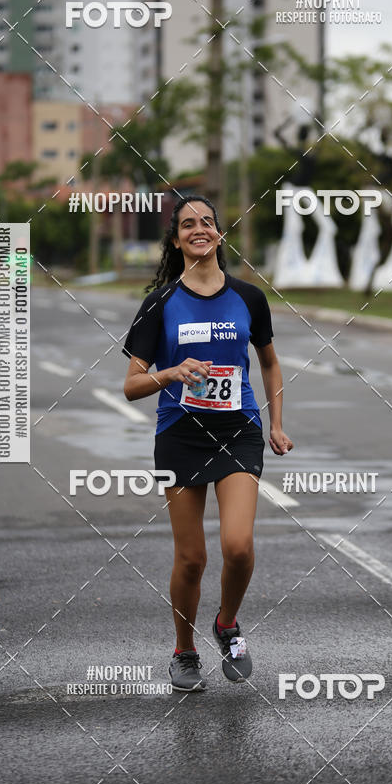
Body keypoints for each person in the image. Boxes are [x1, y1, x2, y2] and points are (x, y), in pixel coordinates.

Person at [122, 195, 293, 693]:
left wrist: (276, 423)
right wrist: (171, 372)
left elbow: (269, 363)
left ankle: (227, 623)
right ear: (176, 240)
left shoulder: (248, 297)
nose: (199, 229)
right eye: (187, 224)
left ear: (219, 233)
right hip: (180, 436)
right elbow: (131, 385)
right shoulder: (159, 304)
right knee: (192, 558)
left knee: (238, 547)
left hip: (238, 431)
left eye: (207, 222)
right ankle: (184, 650)